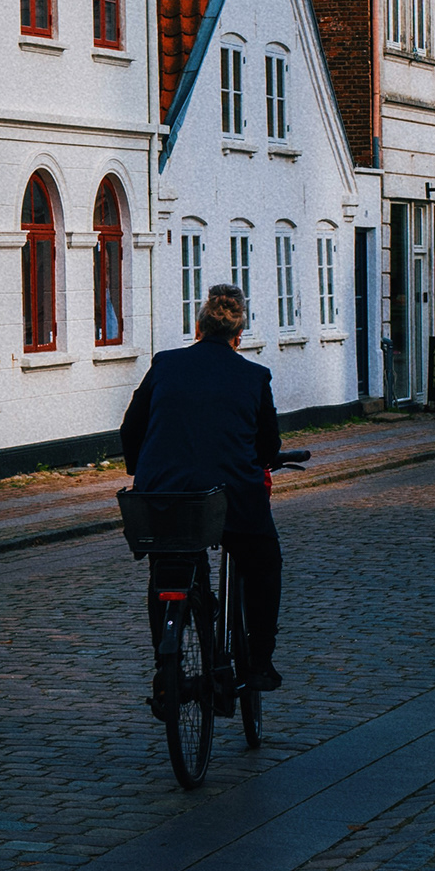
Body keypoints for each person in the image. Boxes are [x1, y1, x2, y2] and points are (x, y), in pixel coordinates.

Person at [121, 285, 287, 694]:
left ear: (197, 328)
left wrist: (144, 472)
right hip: (233, 496)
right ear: (239, 336)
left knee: (165, 566)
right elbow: (268, 445)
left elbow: (131, 427)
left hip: (164, 496)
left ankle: (166, 667)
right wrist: (260, 459)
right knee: (264, 562)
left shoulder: (165, 364)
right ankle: (260, 662)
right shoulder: (253, 376)